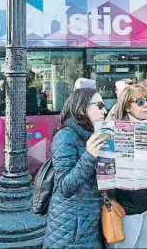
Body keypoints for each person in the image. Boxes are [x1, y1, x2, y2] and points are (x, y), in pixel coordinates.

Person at [43, 88, 108, 248]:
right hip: (71, 227)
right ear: (81, 108)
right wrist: (89, 155)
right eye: (99, 106)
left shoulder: (92, 134)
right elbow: (65, 187)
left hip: (91, 222)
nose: (105, 111)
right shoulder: (65, 136)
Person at [111, 85, 147, 249]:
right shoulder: (115, 129)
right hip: (129, 200)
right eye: (140, 102)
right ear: (128, 106)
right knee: (127, 246)